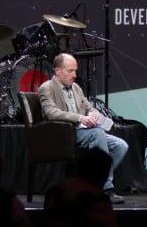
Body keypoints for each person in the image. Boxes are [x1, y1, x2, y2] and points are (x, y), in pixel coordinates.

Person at [38, 52, 129, 204]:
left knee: (121, 145)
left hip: (84, 131)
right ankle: (106, 188)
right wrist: (81, 118)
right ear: (57, 71)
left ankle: (92, 184)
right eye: (70, 71)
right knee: (97, 133)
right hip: (65, 133)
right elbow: (51, 113)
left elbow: (89, 107)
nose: (74, 75)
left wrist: (93, 115)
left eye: (75, 71)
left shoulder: (76, 88)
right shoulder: (46, 88)